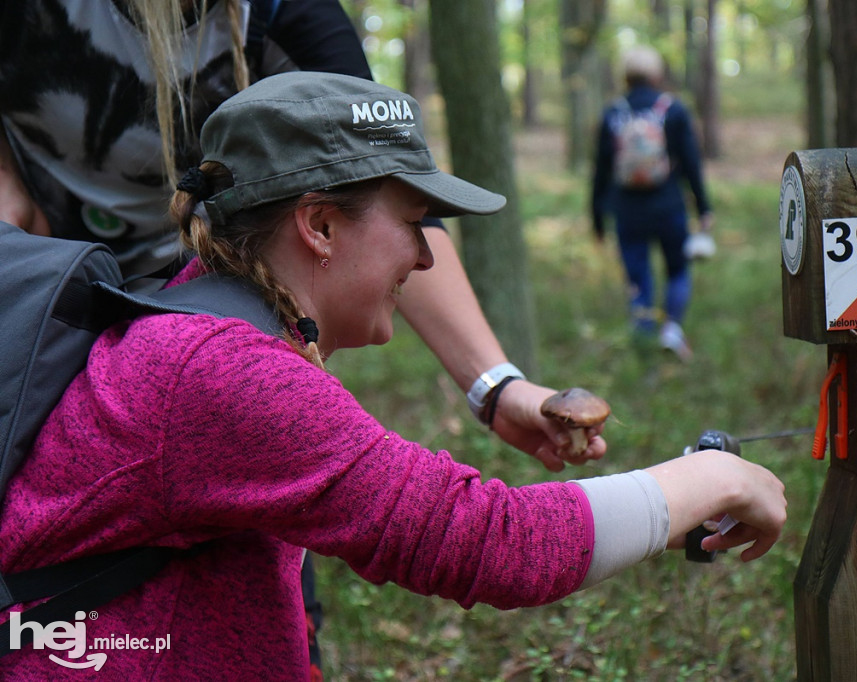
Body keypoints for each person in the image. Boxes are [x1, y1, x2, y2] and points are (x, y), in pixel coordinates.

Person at [0, 71, 787, 678]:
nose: (424, 256)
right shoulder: (223, 373)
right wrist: (709, 481)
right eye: (413, 224)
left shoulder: (205, 322)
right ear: (319, 224)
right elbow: (494, 545)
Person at [0, 0, 601, 470]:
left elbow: (386, 195)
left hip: (220, 293)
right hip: (44, 292)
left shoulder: (284, 12)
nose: (417, 254)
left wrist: (494, 386)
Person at [591, 45, 714, 362]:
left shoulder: (613, 112)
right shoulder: (673, 109)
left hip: (627, 210)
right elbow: (690, 163)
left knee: (637, 275)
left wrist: (597, 217)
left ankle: (643, 335)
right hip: (668, 207)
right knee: (677, 269)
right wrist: (703, 207)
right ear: (657, 74)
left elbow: (601, 170)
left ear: (625, 76)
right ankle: (671, 331)